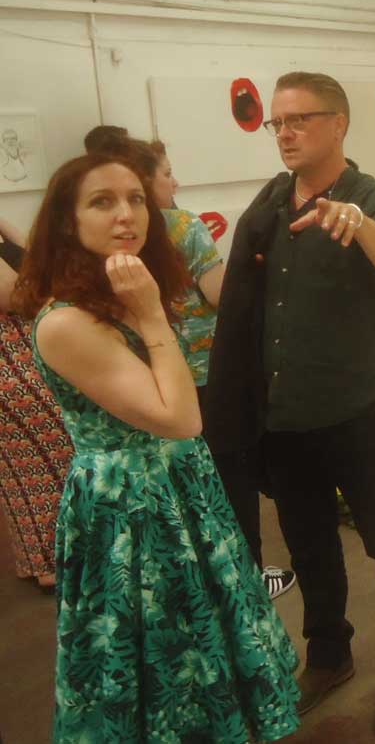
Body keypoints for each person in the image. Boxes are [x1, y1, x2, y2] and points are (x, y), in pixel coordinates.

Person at [13, 154, 300, 742]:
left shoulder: (119, 292)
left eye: (136, 199)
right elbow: (180, 418)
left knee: (208, 628)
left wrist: (145, 308)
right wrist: (150, 315)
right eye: (102, 202)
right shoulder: (65, 322)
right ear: (67, 221)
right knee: (159, 650)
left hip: (179, 488)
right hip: (131, 510)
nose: (126, 214)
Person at [205, 71, 375, 731]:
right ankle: (329, 654)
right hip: (284, 416)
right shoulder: (270, 206)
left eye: (300, 119)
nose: (286, 133)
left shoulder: (370, 198)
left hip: (356, 409)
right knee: (308, 546)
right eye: (277, 123)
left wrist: (358, 225)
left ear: (339, 123)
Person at [84, 127, 296, 599]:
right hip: (206, 375)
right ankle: (247, 579)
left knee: (179, 486)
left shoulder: (98, 245)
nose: (174, 183)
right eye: (167, 174)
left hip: (149, 381)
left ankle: (199, 582)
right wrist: (255, 273)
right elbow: (220, 295)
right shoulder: (181, 227)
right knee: (231, 479)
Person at [0, 217, 72, 591]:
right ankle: (52, 562)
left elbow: (32, 260)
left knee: (24, 469)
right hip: (12, 367)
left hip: (18, 360)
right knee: (48, 461)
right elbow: (15, 296)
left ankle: (40, 560)